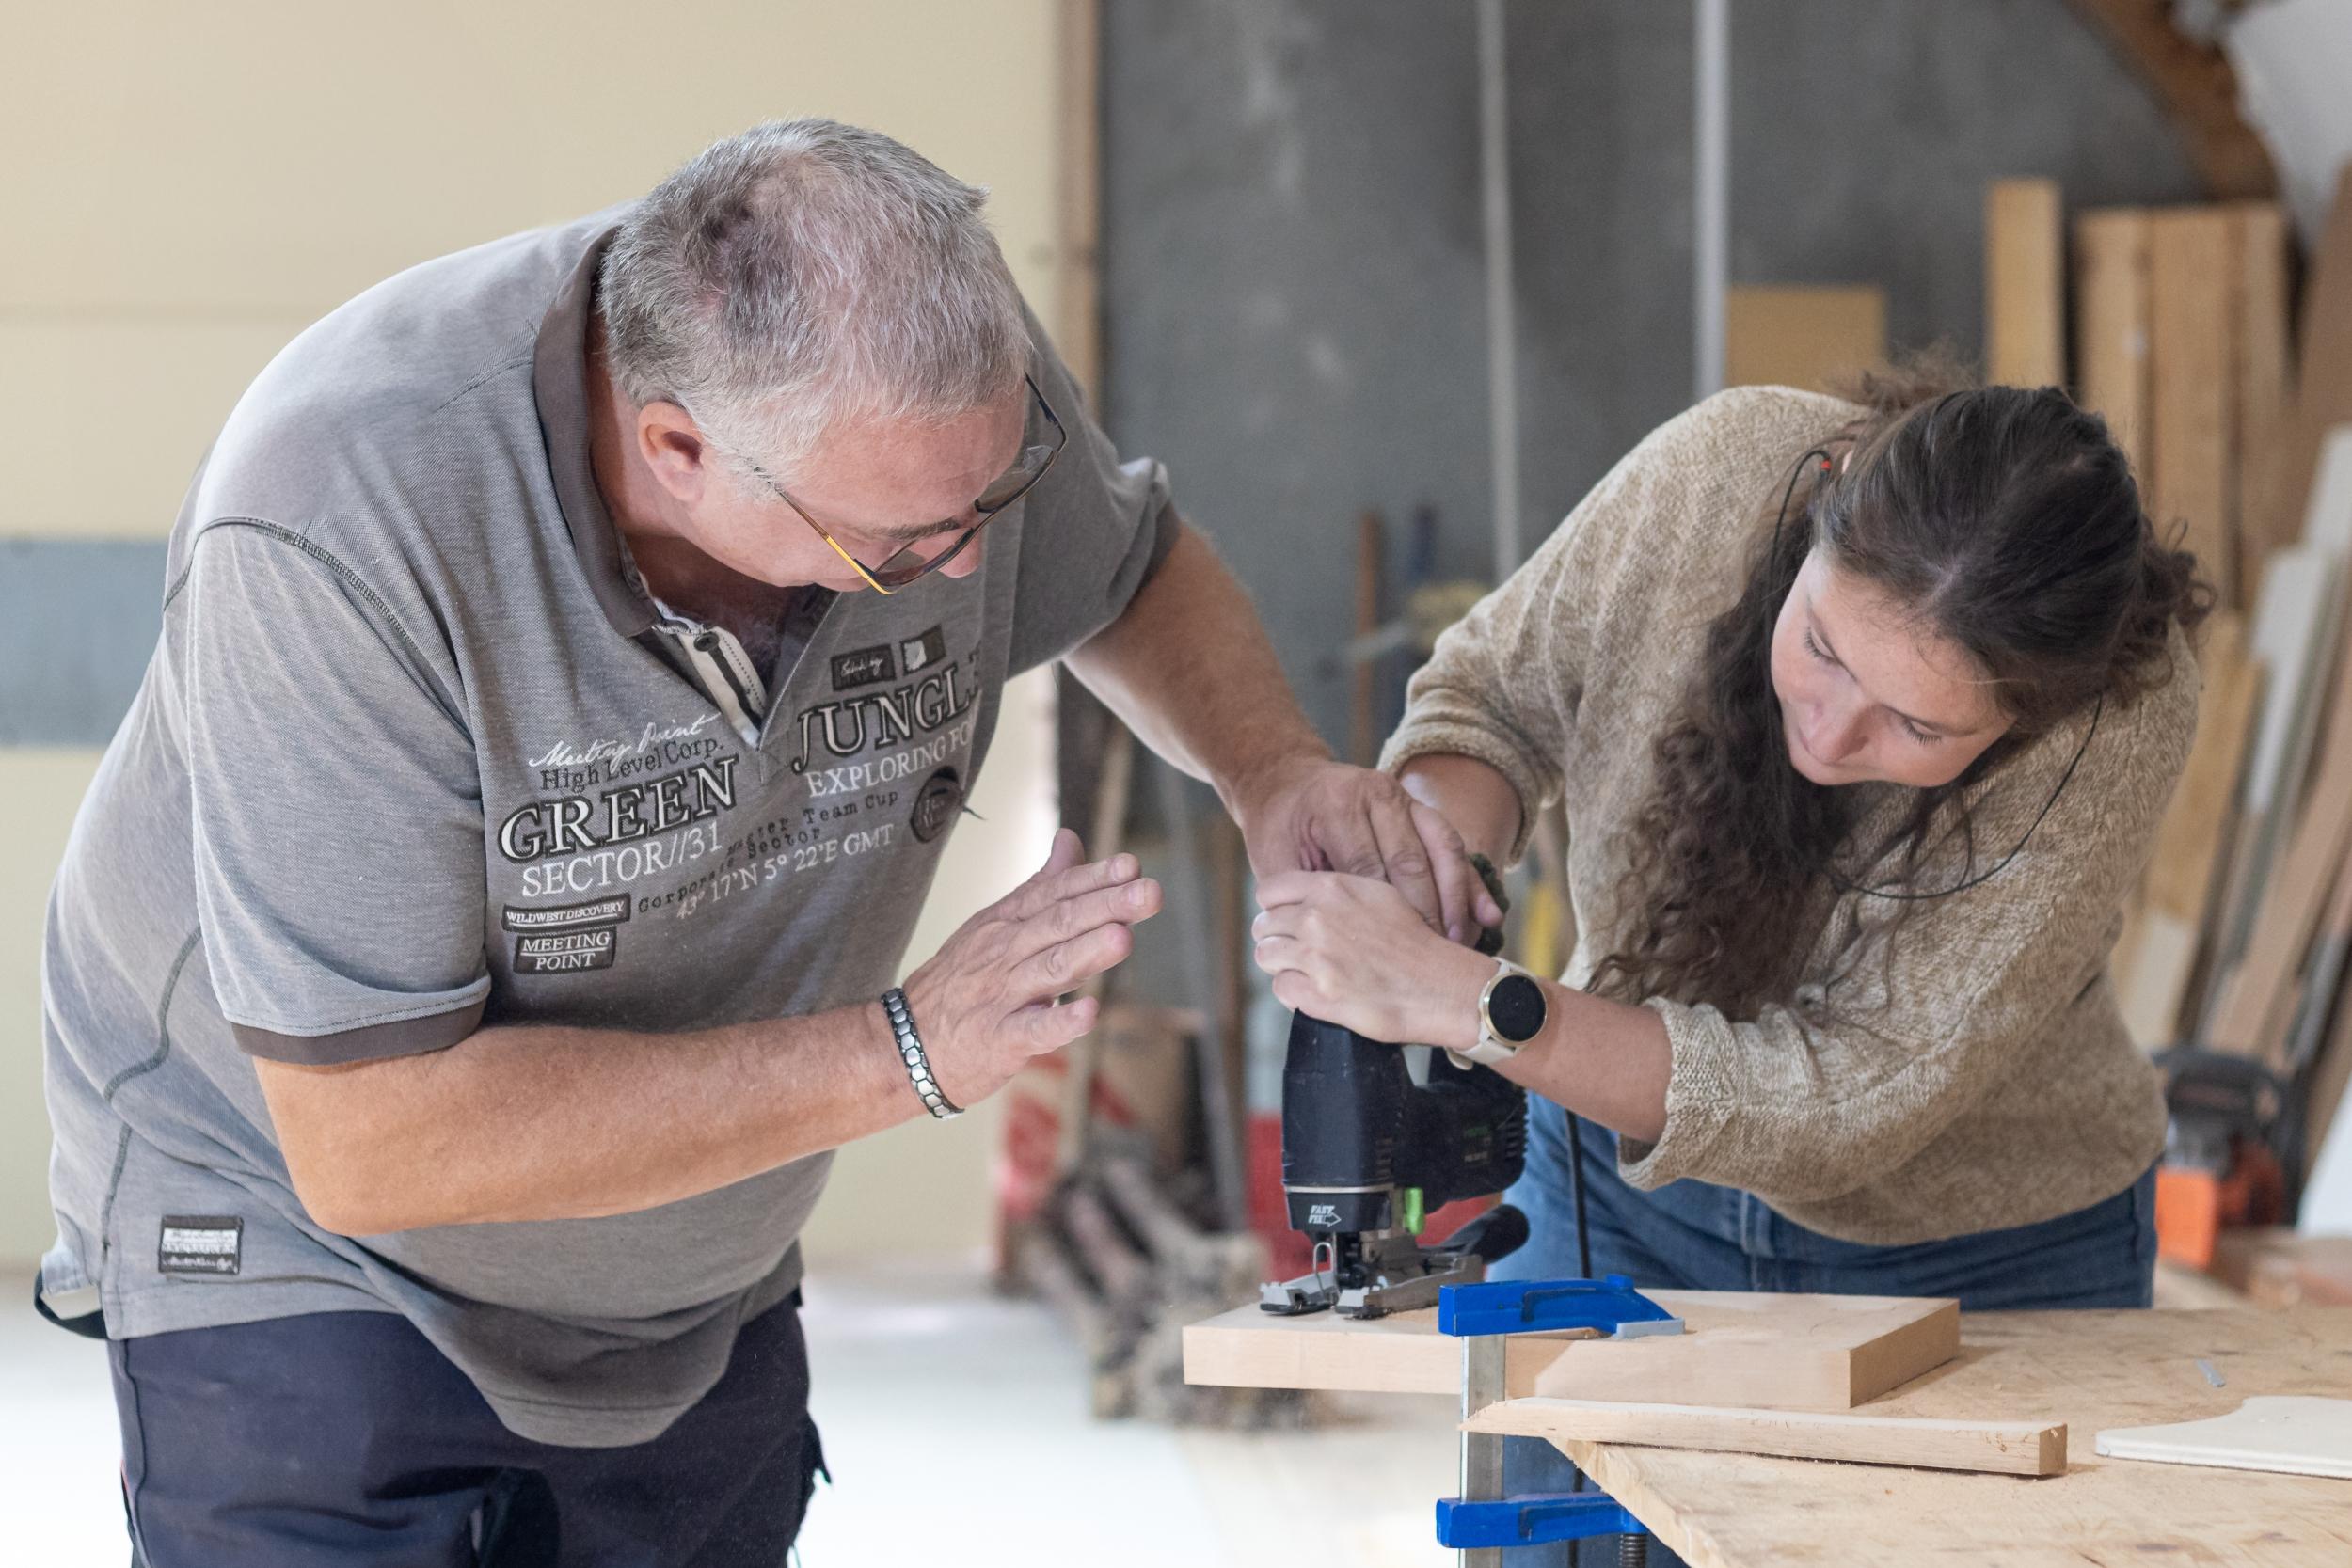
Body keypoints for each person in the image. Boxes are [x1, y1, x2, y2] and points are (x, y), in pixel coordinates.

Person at [38, 119, 1491, 1563]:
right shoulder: (345, 515)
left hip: (691, 1265)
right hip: (308, 1244)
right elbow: (371, 1139)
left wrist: (1273, 770)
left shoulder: (934, 403)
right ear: (677, 447)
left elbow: (1129, 564)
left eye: (989, 499)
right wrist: (903, 1049)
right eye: (903, 548)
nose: (972, 564)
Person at [1250, 371, 2206, 1563]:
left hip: (1983, 1249)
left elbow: (1846, 1094)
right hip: (1621, 1193)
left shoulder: (2114, 714)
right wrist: (1427, 869)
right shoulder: (1717, 473)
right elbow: (1496, 695)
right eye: (1822, 647)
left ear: (2032, 715)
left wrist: (1463, 1000)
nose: (1831, 733)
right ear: (1825, 496)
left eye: (1917, 726)